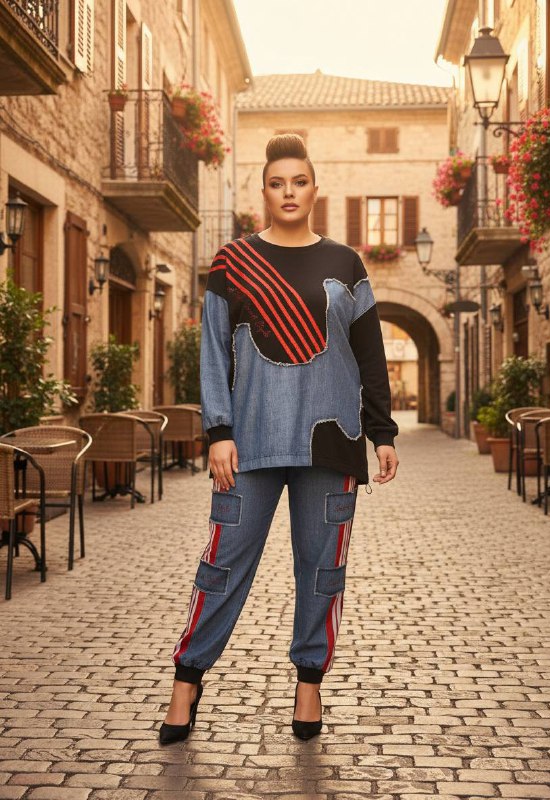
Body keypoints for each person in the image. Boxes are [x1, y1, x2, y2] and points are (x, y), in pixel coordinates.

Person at [159, 133, 399, 745]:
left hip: (332, 441)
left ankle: (309, 682)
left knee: (322, 570)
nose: (288, 192)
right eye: (276, 183)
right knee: (222, 564)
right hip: (250, 441)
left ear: (315, 189)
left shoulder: (346, 263)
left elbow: (370, 354)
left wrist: (383, 431)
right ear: (262, 192)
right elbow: (214, 354)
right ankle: (187, 680)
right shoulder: (232, 262)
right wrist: (218, 431)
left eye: (299, 181)